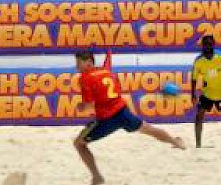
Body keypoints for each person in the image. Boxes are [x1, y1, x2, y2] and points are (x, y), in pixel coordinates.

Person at [73, 51, 185, 185]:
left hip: (107, 119)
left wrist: (81, 107)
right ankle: (176, 142)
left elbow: (89, 106)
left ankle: (97, 177)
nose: (76, 67)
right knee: (148, 129)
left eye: (79, 63)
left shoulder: (85, 78)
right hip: (123, 111)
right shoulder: (106, 71)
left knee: (79, 143)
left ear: (89, 63)